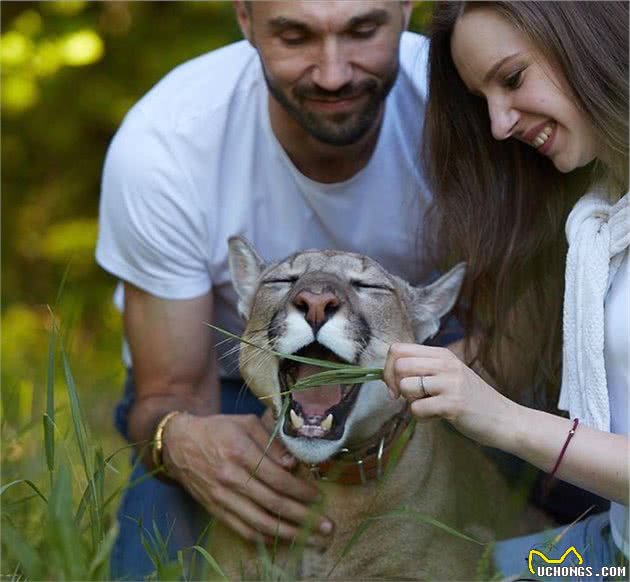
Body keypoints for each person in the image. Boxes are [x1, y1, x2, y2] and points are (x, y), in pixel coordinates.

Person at [96, 1, 455, 578]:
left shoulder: (464, 104)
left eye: (363, 30)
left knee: (535, 538)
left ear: (407, 9)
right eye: (295, 36)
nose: (334, 73)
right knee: (159, 567)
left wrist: (410, 400)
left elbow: (519, 326)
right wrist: (181, 443)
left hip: (427, 361)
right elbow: (171, 392)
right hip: (233, 375)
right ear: (245, 21)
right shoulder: (166, 143)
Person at [384, 1, 629, 578]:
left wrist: (504, 421)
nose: (499, 125)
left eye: (513, 78)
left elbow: (487, 397)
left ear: (591, 36)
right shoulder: (596, 220)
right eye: (482, 100)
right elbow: (496, 358)